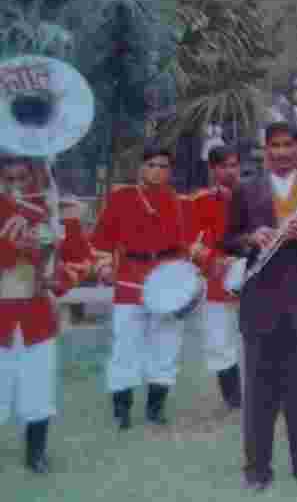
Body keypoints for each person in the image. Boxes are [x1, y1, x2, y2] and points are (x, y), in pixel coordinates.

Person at [223, 122, 297, 491]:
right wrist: (250, 238)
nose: (282, 152)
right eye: (275, 145)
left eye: (289, 145)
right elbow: (227, 240)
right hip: (260, 305)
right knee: (259, 394)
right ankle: (257, 470)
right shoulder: (244, 189)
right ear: (266, 148)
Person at [0, 155, 92, 472]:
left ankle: (35, 455)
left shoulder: (59, 212)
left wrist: (59, 279)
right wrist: (18, 246)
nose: (14, 186)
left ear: (37, 176)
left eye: (22, 178)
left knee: (38, 388)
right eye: (8, 179)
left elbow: (81, 259)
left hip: (38, 314)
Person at [91, 147, 189, 429]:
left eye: (163, 166)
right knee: (126, 347)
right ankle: (122, 411)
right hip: (130, 279)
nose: (157, 170)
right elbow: (100, 240)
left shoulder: (175, 200)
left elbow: (181, 245)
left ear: (169, 171)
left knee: (166, 344)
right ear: (141, 168)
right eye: (152, 165)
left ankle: (155, 408)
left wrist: (185, 279)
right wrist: (104, 266)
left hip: (167, 281)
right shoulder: (121, 197)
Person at [184, 144, 243, 410]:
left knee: (259, 338)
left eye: (234, 165)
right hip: (217, 279)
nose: (229, 171)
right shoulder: (200, 202)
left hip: (252, 277)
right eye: (223, 166)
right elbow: (189, 243)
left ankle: (262, 392)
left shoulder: (255, 196)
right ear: (212, 169)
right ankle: (234, 400)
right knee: (220, 341)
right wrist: (212, 260)